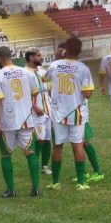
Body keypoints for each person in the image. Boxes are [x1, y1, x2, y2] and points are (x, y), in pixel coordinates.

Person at [44, 38, 94, 191]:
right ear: (80, 51)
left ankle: (55, 182)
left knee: (57, 146)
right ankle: (80, 182)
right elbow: (87, 93)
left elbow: (45, 78)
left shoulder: (55, 65)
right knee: (77, 145)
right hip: (76, 112)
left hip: (58, 112)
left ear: (65, 49)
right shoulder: (83, 68)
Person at [0, 46, 40, 197]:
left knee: (6, 155)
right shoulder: (27, 72)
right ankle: (36, 188)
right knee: (30, 152)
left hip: (8, 121)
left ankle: (11, 190)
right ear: (10, 56)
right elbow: (35, 92)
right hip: (26, 119)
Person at [53, 42, 104, 183]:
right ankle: (86, 172)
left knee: (83, 142)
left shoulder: (72, 67)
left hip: (77, 111)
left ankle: (98, 171)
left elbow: (86, 93)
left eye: (62, 50)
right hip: (70, 111)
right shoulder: (72, 66)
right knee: (80, 142)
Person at [25, 47, 52, 175]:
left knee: (47, 140)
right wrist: (35, 107)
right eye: (38, 55)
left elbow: (49, 87)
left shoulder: (42, 70)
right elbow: (23, 95)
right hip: (35, 112)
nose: (41, 57)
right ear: (31, 57)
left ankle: (44, 166)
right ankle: (33, 166)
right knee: (39, 139)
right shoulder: (24, 73)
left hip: (48, 110)